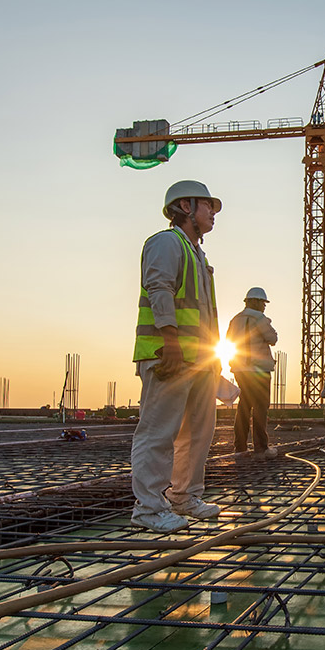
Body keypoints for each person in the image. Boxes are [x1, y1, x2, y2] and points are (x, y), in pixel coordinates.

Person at [130, 180, 225, 533]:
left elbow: (203, 315)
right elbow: (160, 288)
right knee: (159, 431)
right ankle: (149, 509)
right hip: (170, 355)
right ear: (186, 207)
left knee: (198, 432)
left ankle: (184, 496)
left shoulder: (198, 255)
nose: (213, 213)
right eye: (208, 206)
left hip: (197, 361)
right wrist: (170, 340)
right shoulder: (167, 243)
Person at [226, 286, 279, 461]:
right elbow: (272, 339)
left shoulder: (235, 320)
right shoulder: (260, 318)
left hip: (241, 370)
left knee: (244, 407)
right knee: (260, 407)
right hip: (259, 370)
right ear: (255, 302)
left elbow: (229, 341)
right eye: (263, 303)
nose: (264, 306)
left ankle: (240, 448)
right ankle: (261, 449)